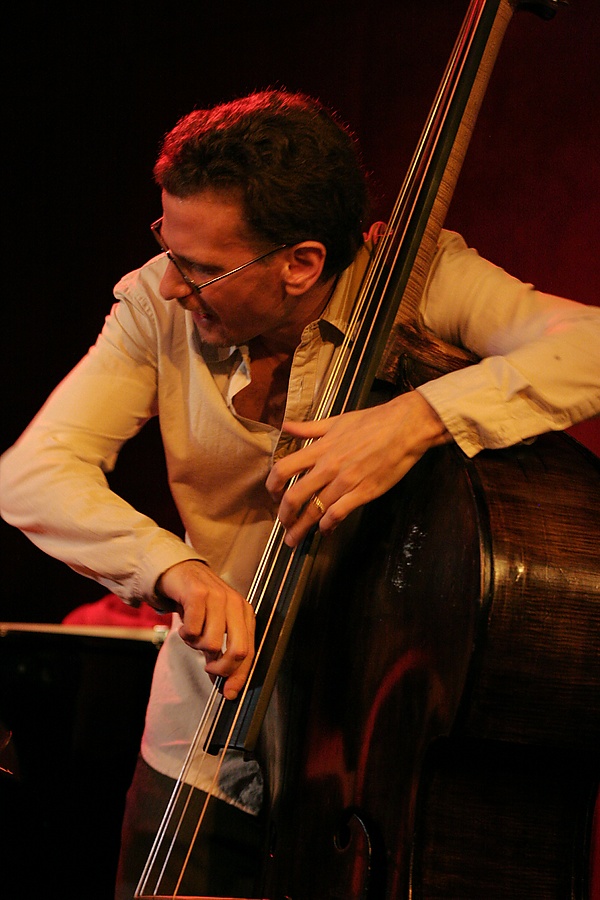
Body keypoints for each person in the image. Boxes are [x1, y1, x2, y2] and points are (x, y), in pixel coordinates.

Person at [1, 89, 599, 898]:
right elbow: (34, 470)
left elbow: (592, 345)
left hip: (369, 759)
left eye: (201, 268)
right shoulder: (155, 304)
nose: (171, 284)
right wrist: (178, 572)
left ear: (302, 263)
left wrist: (419, 417)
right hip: (200, 734)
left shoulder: (419, 279)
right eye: (167, 246)